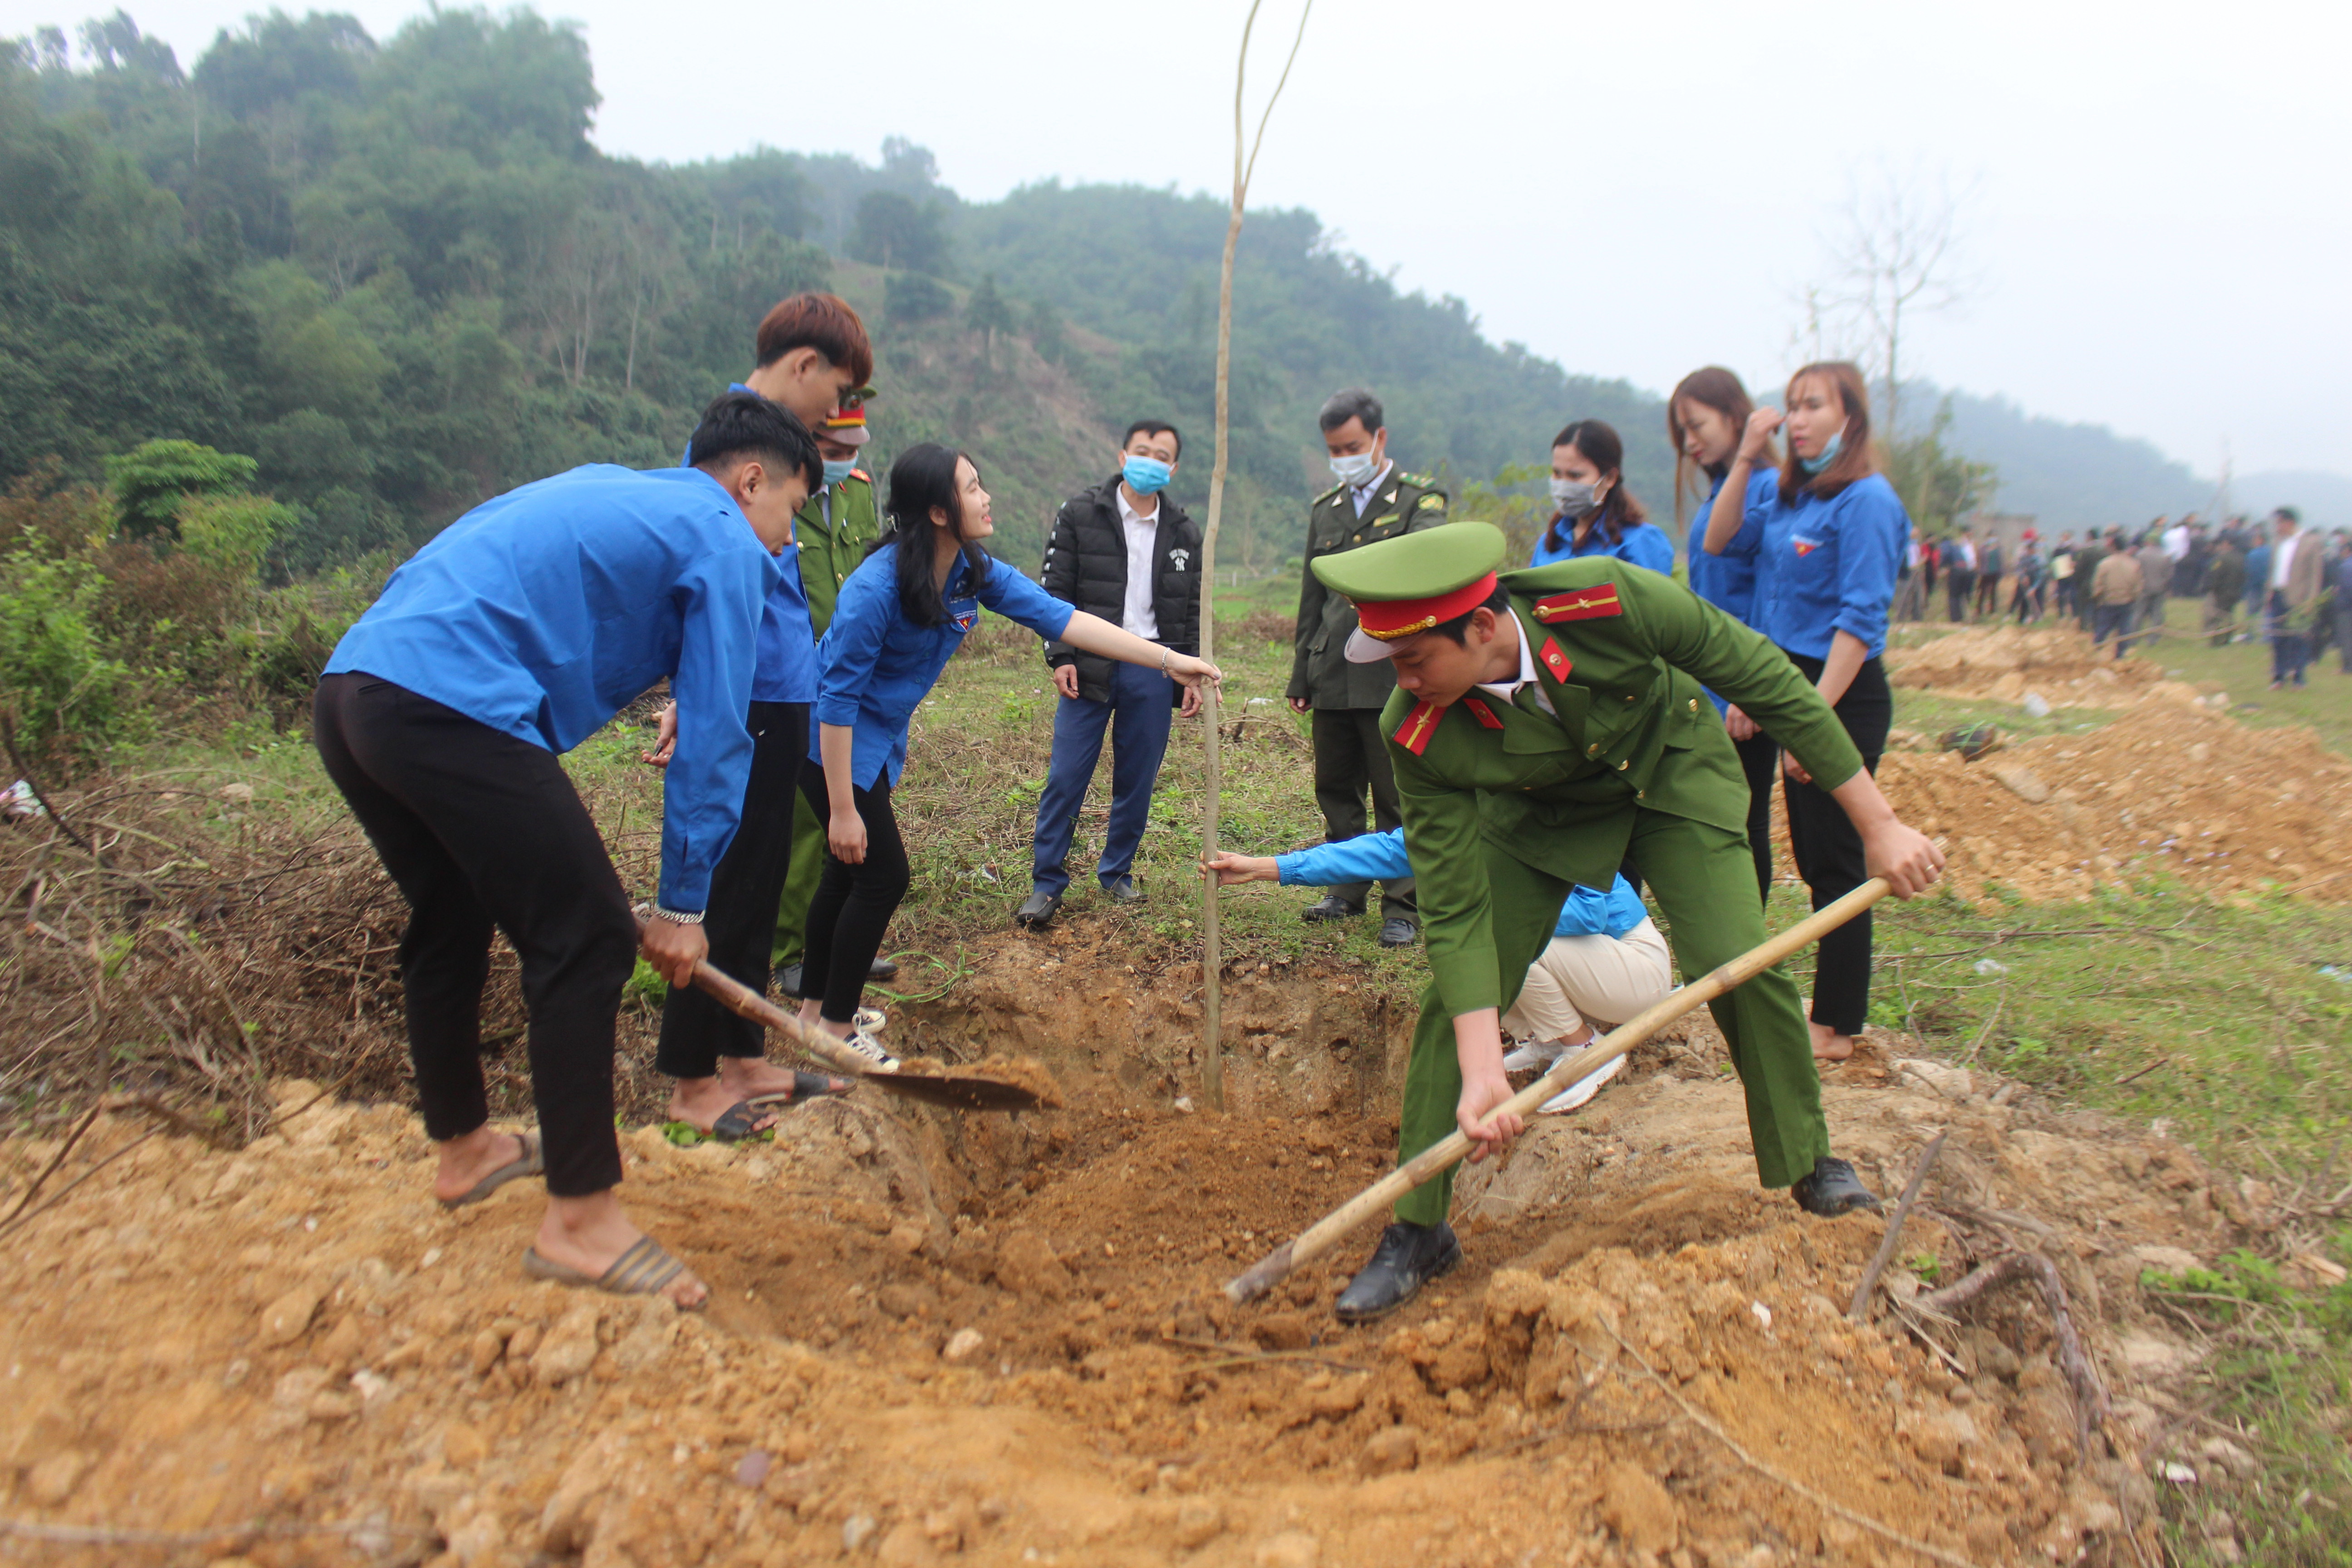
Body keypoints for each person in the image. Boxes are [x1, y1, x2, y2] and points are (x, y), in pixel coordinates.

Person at [1306, 520, 1943, 1322]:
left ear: (1478, 627)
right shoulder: (1418, 726)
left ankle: (1809, 1160)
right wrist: (1482, 1064)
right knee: (1454, 1001)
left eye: (1411, 658)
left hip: (1668, 780)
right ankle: (1418, 1229)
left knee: (1735, 958)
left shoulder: (1604, 599)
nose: (1399, 680)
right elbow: (1453, 899)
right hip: (1539, 817)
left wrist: (1877, 824)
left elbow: (1763, 679)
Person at [313, 391, 822, 1309]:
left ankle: (466, 1149)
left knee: (452, 915)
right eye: (791, 513)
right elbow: (716, 735)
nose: (788, 542)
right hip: (446, 701)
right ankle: (581, 1224)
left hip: (357, 690)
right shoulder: (720, 535)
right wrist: (682, 908)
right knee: (583, 939)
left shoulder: (614, 490)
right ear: (752, 482)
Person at [799, 445, 1221, 1057]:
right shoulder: (876, 588)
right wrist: (842, 809)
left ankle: (816, 1014)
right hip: (830, 749)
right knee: (882, 876)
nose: (986, 496)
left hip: (876, 744)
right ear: (940, 512)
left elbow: (1062, 618)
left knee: (846, 876)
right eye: (972, 488)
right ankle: (835, 1031)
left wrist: (1167, 658)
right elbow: (835, 702)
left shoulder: (970, 570)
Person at [644, 297, 873, 1140]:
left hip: (785, 688)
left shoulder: (782, 447)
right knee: (729, 882)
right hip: (743, 688)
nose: (840, 413)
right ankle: (691, 1077)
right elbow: (696, 591)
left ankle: (743, 1058)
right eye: (840, 390)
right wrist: (687, 693)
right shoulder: (732, 445)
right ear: (803, 365)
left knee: (762, 876)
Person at [1710, 361, 1908, 1065]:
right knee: (1812, 850)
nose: (1797, 419)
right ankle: (1828, 1012)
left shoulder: (1867, 501)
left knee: (1835, 861)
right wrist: (1744, 455)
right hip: (1791, 681)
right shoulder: (1793, 496)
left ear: (1849, 419)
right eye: (1792, 405)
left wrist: (1813, 724)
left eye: (1814, 405)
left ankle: (1837, 1025)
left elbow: (1860, 621)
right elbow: (1722, 540)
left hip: (1841, 688)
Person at [1205, 833, 1669, 1114]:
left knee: (1493, 929)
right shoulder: (1462, 820)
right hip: (1589, 967)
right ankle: (1549, 1036)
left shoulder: (1556, 817)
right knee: (1474, 936)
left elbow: (1589, 915)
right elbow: (1377, 853)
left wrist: (1486, 898)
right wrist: (1267, 868)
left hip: (1633, 970)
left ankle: (1586, 1049)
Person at [1018, 420, 1204, 927]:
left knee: (1137, 779)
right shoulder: (1081, 513)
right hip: (1091, 663)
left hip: (1154, 666)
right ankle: (1047, 881)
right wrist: (1062, 655)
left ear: (1173, 467)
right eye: (1142, 450)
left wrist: (1188, 674)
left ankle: (1116, 872)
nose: (1150, 460)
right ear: (1123, 456)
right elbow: (1055, 589)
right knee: (1066, 775)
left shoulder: (1184, 531)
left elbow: (1190, 611)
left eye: (1161, 454)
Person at [1287, 388, 1449, 947]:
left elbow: (1422, 567)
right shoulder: (1325, 510)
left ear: (1380, 439)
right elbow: (1314, 597)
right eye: (1334, 449)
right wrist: (1300, 672)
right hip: (1331, 668)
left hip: (1392, 673)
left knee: (1397, 794)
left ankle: (1404, 904)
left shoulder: (1420, 503)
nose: (1344, 457)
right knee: (1336, 787)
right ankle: (1345, 890)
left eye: (1352, 446)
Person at [772, 395, 893, 995]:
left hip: (853, 682)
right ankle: (792, 953)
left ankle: (842, 942)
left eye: (853, 452)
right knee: (803, 823)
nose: (846, 461)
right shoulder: (775, 504)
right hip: (795, 684)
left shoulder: (856, 492)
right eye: (834, 452)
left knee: (846, 821)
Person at [1669, 366, 1782, 905]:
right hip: (1709, 685)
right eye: (1682, 433)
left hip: (1743, 686)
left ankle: (1746, 944)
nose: (1690, 443)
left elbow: (1769, 593)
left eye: (1697, 426)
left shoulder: (1770, 490)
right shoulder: (1726, 491)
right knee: (1718, 821)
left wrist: (1749, 688)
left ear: (1736, 417)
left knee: (1746, 820)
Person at [1529, 419, 1674, 575]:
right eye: (1557, 473)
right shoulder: (1548, 544)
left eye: (1575, 475)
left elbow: (1650, 598)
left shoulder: (1641, 542)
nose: (1564, 484)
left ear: (1610, 478)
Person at [2265, 507, 2324, 689]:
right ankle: (2279, 676)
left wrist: (2311, 601)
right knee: (2278, 638)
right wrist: (2268, 592)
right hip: (2277, 596)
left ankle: (2298, 676)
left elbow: (2316, 575)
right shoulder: (2277, 542)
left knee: (2299, 638)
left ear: (2289, 523)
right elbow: (2273, 570)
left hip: (2299, 599)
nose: (2277, 527)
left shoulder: (2310, 542)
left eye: (2279, 523)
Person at [2090, 534, 2145, 657]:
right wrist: (2134, 598)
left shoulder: (2104, 564)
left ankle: (2096, 651)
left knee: (2102, 629)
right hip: (2127, 602)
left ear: (2113, 547)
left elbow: (2097, 585)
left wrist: (2098, 598)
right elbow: (2138, 586)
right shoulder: (2134, 564)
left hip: (2108, 602)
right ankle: (2120, 655)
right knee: (2124, 630)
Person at [2204, 536, 2246, 647]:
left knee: (2218, 616)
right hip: (2236, 592)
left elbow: (2216, 575)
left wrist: (2212, 588)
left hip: (2222, 592)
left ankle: (2216, 640)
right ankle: (2228, 638)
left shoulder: (2221, 559)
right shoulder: (2241, 558)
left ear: (2227, 544)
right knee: (2230, 615)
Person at [2134, 532, 2173, 647]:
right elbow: (2169, 575)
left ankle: (2133, 638)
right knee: (2157, 614)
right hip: (2159, 588)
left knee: (2138, 613)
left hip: (2143, 588)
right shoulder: (2165, 556)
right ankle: (2153, 639)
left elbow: (2136, 572)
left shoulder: (2140, 555)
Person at [2010, 537, 2047, 622]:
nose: (2030, 551)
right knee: (2024, 600)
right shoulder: (2023, 558)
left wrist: (2034, 588)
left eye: (2032, 550)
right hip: (2025, 582)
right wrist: (2023, 577)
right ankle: (2022, 618)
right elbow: (2019, 569)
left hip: (2037, 583)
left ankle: (2037, 618)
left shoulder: (2039, 560)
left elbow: (2040, 576)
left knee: (2037, 600)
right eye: (2028, 550)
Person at [1943, 532, 1977, 622]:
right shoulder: (1971, 546)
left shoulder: (1954, 545)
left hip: (1957, 571)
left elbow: (1946, 556)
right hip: (1967, 572)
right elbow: (1973, 562)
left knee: (1954, 595)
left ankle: (1955, 618)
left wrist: (1945, 566)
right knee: (1963, 595)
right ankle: (1962, 617)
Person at [2049, 532, 2080, 621]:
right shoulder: (2058, 550)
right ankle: (2062, 614)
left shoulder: (2074, 548)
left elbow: (2078, 561)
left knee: (2073, 596)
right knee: (2061, 595)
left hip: (2072, 575)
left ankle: (2075, 614)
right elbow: (2054, 563)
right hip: (2061, 574)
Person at [1974, 534, 2005, 620]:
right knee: (1983, 592)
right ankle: (1979, 610)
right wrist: (1978, 571)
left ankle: (1992, 610)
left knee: (1993, 592)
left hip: (1995, 573)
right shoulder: (1982, 548)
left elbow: (2001, 562)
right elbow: (1979, 560)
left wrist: (2002, 573)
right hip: (1985, 573)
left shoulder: (1998, 549)